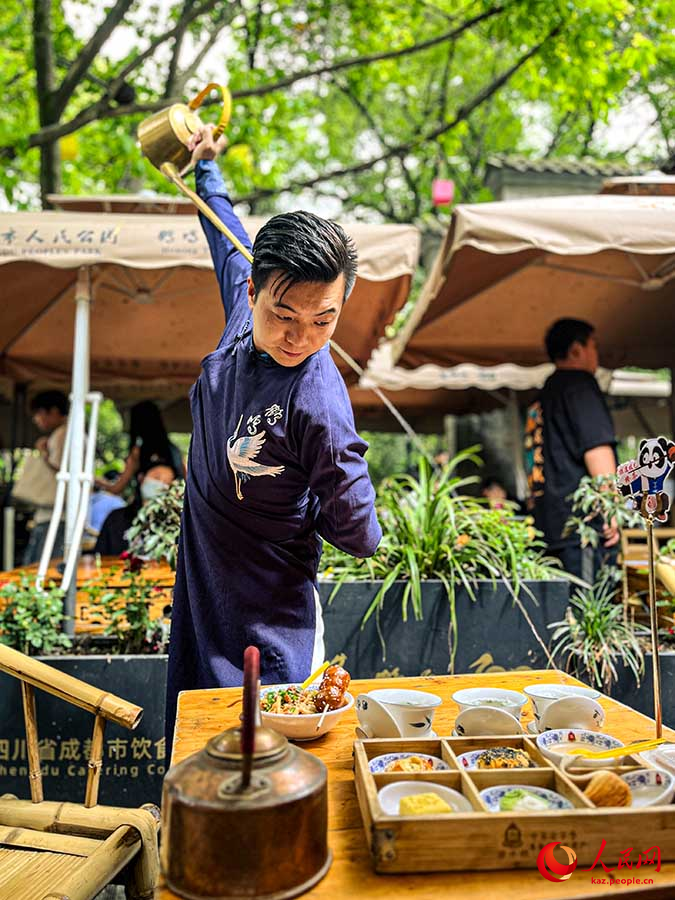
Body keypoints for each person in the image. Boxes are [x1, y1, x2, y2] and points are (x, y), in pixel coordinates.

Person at [166, 124, 381, 742]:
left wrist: (301, 496)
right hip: (205, 578)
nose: (301, 337)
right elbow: (222, 227)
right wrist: (206, 165)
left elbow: (361, 533)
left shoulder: (320, 404)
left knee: (276, 756)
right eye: (283, 315)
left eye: (323, 320)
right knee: (195, 741)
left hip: (271, 606)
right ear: (254, 291)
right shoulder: (242, 304)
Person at [524, 318, 618, 581]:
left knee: (558, 614)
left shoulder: (542, 396)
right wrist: (610, 508)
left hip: (547, 526)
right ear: (577, 350)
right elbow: (596, 448)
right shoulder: (579, 385)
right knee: (591, 613)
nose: (596, 354)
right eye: (593, 346)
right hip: (582, 528)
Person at [96, 400, 184, 497]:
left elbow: (117, 488)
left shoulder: (137, 452)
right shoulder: (174, 450)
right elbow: (187, 478)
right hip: (173, 506)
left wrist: (96, 480)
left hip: (147, 508)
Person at [21, 391, 69, 564]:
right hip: (57, 514)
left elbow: (61, 469)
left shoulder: (62, 435)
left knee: (41, 567)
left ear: (54, 411)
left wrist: (44, 453)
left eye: (39, 413)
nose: (36, 419)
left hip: (55, 515)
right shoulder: (69, 433)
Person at [94, 463, 176, 556]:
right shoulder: (116, 518)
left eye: (167, 482)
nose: (161, 484)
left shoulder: (173, 523)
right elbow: (99, 556)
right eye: (156, 477)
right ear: (141, 478)